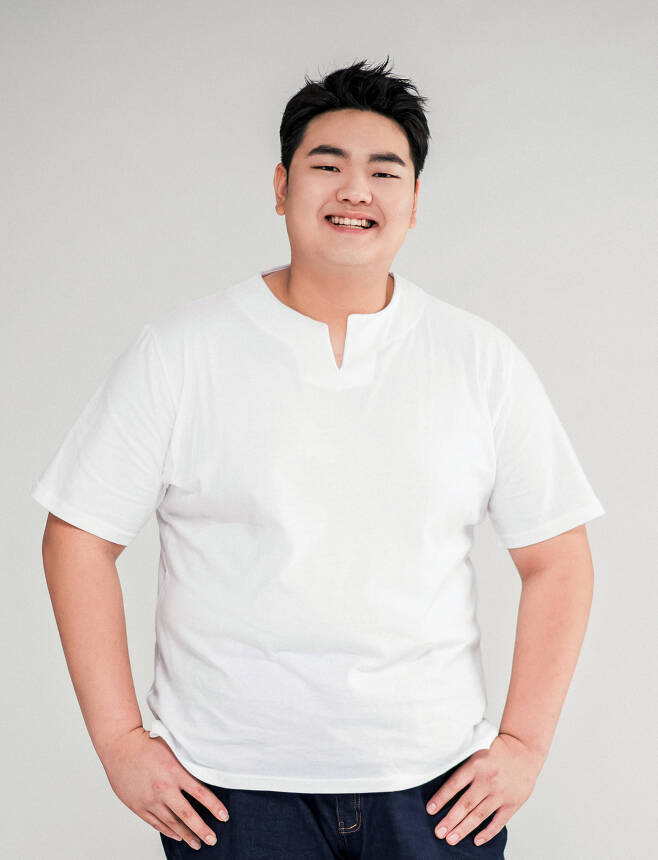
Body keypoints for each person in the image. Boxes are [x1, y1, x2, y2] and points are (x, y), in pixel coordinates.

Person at [31, 57, 605, 858]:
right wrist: (120, 742)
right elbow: (78, 536)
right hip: (229, 790)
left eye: (384, 171)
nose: (355, 190)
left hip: (437, 788)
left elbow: (558, 557)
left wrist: (524, 745)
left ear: (414, 201)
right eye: (327, 166)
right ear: (281, 186)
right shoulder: (183, 353)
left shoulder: (478, 359)